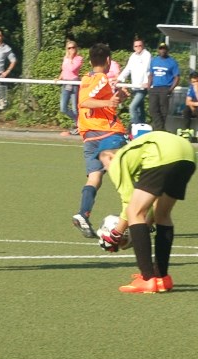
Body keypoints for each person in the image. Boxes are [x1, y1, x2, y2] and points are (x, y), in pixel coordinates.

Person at [95, 131, 196, 293]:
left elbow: (129, 204)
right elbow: (151, 205)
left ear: (110, 156)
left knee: (134, 212)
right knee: (162, 214)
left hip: (162, 154)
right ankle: (162, 278)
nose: (105, 168)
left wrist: (115, 234)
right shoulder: (138, 158)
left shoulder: (118, 160)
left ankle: (147, 279)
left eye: (104, 163)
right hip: (188, 155)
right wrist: (145, 226)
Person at [72, 43, 128, 238]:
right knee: (125, 174)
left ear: (89, 61)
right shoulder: (102, 78)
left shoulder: (86, 78)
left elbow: (100, 103)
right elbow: (85, 102)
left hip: (89, 136)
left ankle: (83, 214)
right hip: (108, 134)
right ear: (108, 60)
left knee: (94, 177)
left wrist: (117, 98)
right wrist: (110, 101)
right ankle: (138, 216)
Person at [117, 37, 151, 125]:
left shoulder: (147, 55)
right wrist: (119, 79)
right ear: (133, 47)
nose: (138, 47)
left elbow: (147, 69)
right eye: (136, 46)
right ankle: (142, 125)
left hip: (142, 87)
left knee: (132, 107)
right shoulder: (133, 56)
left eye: (140, 45)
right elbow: (128, 69)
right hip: (135, 87)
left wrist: (146, 81)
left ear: (143, 46)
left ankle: (134, 125)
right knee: (140, 108)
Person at [148, 42, 180, 131]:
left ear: (167, 50)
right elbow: (151, 74)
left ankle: (159, 129)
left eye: (164, 49)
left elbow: (177, 77)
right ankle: (160, 128)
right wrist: (149, 86)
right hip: (155, 88)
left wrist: (170, 89)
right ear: (158, 50)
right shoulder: (154, 61)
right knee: (153, 109)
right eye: (161, 49)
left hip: (165, 88)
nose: (162, 50)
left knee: (163, 110)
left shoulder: (172, 62)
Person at [56, 40, 83, 136]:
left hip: (74, 83)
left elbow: (72, 69)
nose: (71, 50)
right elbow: (64, 70)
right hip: (65, 83)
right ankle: (79, 121)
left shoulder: (79, 59)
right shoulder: (65, 58)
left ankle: (80, 125)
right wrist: (59, 78)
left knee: (75, 108)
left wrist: (71, 58)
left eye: (73, 47)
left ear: (76, 48)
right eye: (69, 48)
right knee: (63, 108)